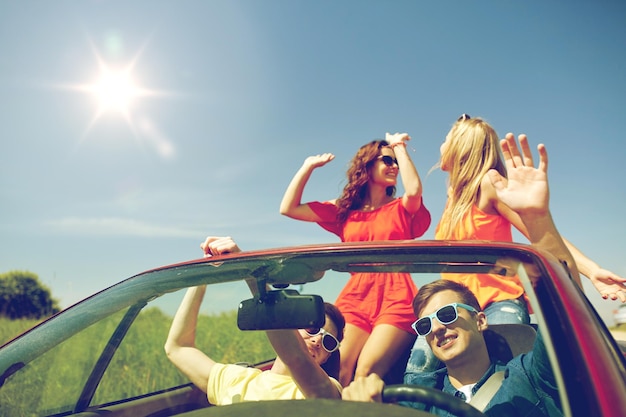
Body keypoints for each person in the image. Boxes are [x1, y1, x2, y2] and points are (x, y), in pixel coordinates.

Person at [341, 133, 577, 416]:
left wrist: (538, 219)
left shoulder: (525, 376)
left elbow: (564, 309)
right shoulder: (416, 399)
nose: (436, 327)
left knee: (511, 342)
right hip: (462, 297)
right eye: (424, 325)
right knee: (417, 369)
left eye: (446, 315)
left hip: (501, 297)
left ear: (479, 320)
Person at [406, 116, 626, 373]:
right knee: (418, 370)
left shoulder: (487, 183)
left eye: (446, 139)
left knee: (502, 372)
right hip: (455, 305)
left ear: (461, 145)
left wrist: (592, 271)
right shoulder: (454, 196)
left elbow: (537, 228)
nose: (441, 145)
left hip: (498, 301)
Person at [279, 133, 432, 386]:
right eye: (386, 160)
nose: (393, 166)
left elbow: (414, 190)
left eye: (395, 161)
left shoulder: (401, 208)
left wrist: (399, 147)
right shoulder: (345, 211)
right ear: (367, 164)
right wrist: (308, 167)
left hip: (397, 297)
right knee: (338, 371)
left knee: (365, 372)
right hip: (355, 297)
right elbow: (289, 208)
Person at [164, 236, 345, 404]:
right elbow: (178, 347)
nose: (317, 340)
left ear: (328, 356)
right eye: (313, 329)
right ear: (292, 323)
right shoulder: (239, 380)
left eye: (328, 341)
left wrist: (250, 271)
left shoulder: (328, 392)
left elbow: (296, 358)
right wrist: (203, 275)